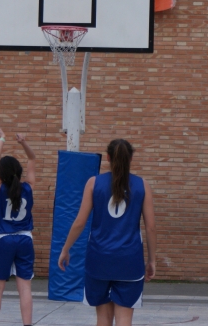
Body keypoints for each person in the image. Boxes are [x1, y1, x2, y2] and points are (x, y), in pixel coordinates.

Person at [58, 138, 156, 326]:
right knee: (124, 319)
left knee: (103, 319)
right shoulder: (142, 185)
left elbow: (80, 222)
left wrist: (65, 249)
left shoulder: (94, 183)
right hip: (129, 260)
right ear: (131, 158)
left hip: (99, 259)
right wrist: (152, 260)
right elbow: (150, 227)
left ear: (108, 158)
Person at [0, 126, 37, 326]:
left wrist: (2, 138)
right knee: (25, 288)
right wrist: (23, 142)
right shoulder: (29, 187)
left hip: (4, 239)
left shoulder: (0, 188)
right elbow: (32, 158)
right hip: (25, 239)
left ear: (2, 173)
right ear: (19, 171)